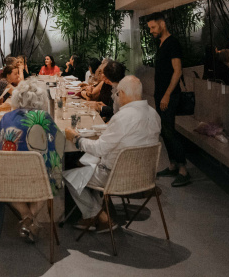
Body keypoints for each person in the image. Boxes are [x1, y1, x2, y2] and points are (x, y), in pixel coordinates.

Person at [64, 76, 161, 231]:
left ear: (121, 93)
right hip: (145, 177)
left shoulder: (123, 117)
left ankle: (97, 216)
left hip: (115, 177)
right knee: (87, 162)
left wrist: (76, 138)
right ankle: (100, 210)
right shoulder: (154, 114)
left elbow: (99, 149)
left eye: (117, 94)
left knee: (68, 175)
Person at [0, 80, 65, 242]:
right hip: (38, 179)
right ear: (41, 100)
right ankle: (29, 220)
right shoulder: (44, 117)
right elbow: (58, 144)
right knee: (51, 179)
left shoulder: (7, 117)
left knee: (6, 180)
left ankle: (26, 217)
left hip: (11, 178)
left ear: (17, 99)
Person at [147, 12, 190, 187]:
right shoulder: (161, 43)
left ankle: (183, 169)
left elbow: (177, 71)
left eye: (153, 27)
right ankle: (173, 164)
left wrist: (166, 95)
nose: (151, 31)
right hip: (161, 94)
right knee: (164, 131)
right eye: (150, 28)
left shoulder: (172, 43)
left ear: (162, 24)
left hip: (169, 95)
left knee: (169, 131)